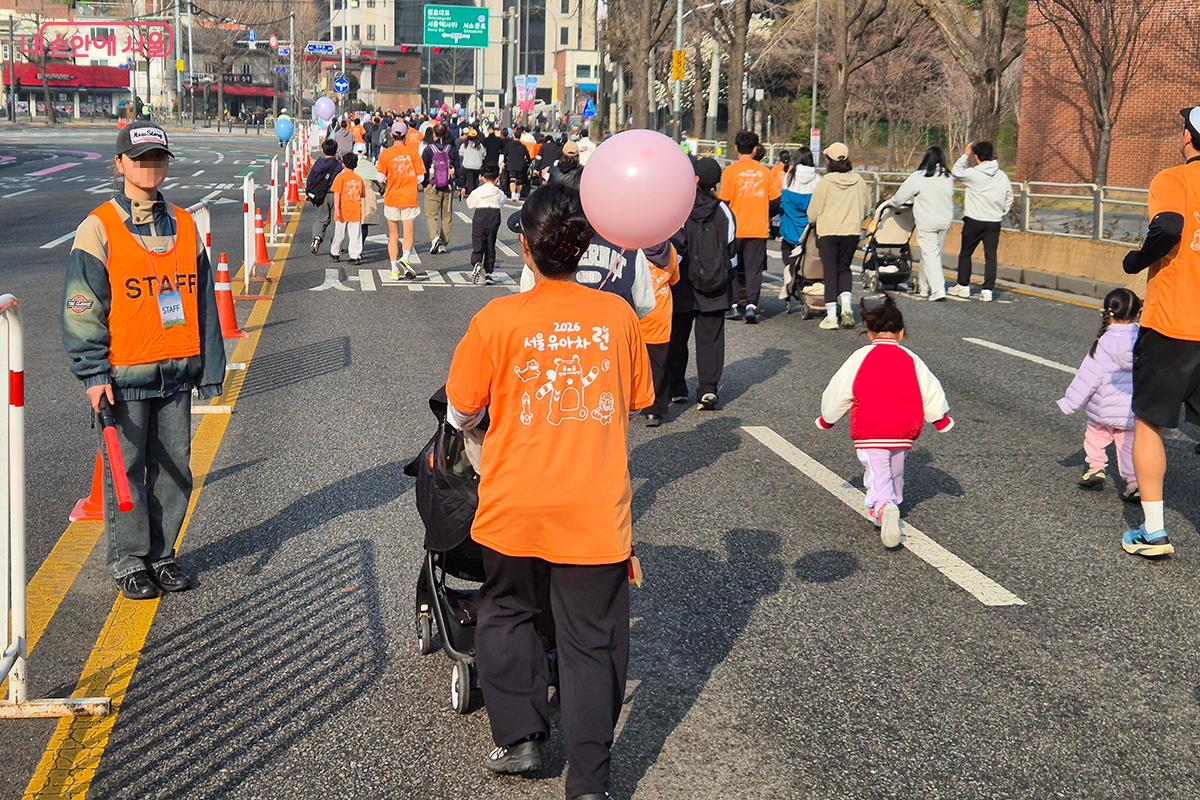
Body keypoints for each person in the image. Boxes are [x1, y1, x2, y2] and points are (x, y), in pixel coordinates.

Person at [445, 183, 654, 800]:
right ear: (584, 247)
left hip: (516, 506)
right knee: (592, 643)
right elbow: (639, 398)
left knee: (507, 612)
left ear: (527, 251)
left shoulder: (497, 320)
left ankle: (521, 737)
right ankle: (589, 782)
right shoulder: (616, 316)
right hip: (594, 511)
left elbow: (460, 409)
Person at [61, 121, 224, 600]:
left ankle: (164, 554)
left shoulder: (186, 224)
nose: (149, 167)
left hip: (175, 372)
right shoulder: (98, 228)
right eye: (139, 159)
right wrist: (92, 372)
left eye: (157, 158)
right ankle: (130, 559)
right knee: (126, 472)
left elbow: (203, 305)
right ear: (120, 165)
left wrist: (209, 369)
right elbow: (81, 306)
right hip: (123, 375)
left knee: (176, 469)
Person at [1117, 107, 1200, 558]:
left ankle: (1153, 532)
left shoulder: (1174, 179)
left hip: (1174, 324)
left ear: (1190, 139)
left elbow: (1168, 225)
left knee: (1150, 422)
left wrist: (1137, 261)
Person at [816, 293, 953, 548]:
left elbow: (840, 390)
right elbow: (930, 389)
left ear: (869, 333)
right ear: (901, 333)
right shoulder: (911, 358)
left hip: (871, 428)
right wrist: (940, 419)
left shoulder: (861, 357)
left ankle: (883, 507)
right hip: (903, 430)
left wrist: (828, 419)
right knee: (895, 469)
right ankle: (894, 501)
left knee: (877, 471)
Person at [1056, 288, 1141, 500]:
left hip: (1102, 408)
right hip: (1132, 410)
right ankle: (1133, 483)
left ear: (1106, 313)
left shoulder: (1103, 343)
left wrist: (1070, 403)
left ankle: (1095, 467)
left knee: (1095, 435)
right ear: (1138, 313)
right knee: (1128, 446)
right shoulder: (1144, 341)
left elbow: (1088, 377)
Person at [668, 157, 737, 412]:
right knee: (711, 339)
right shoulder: (724, 211)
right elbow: (732, 249)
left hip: (683, 282)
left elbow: (673, 245)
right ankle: (708, 388)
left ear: (694, 179)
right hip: (715, 285)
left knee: (677, 336)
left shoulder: (680, 208)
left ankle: (676, 387)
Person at [720, 130, 781, 325]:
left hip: (735, 228)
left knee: (733, 267)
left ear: (736, 148)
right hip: (758, 227)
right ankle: (751, 305)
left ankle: (735, 303)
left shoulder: (730, 171)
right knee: (754, 269)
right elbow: (775, 200)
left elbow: (724, 201)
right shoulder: (765, 172)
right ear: (755, 149)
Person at [808, 141, 871, 330]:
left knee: (830, 272)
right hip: (851, 232)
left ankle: (831, 316)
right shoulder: (859, 181)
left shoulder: (825, 183)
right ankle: (846, 308)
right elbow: (867, 207)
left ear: (829, 160)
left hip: (828, 232)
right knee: (844, 269)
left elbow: (813, 212)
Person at [888, 146, 955, 301]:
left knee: (930, 254)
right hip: (945, 221)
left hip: (927, 221)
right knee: (932, 253)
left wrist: (891, 203)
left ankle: (938, 289)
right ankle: (923, 286)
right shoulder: (948, 177)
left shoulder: (919, 176)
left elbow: (900, 198)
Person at [949, 141, 1014, 302]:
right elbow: (1009, 197)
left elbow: (955, 172)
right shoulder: (1002, 175)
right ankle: (987, 290)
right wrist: (1001, 212)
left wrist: (965, 154)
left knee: (966, 253)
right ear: (991, 155)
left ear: (976, 156)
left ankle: (963, 286)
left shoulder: (973, 173)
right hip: (994, 221)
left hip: (974, 219)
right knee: (990, 255)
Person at [639, 242, 680, 427]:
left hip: (637, 314)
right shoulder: (669, 249)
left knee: (634, 364)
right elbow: (674, 279)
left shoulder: (632, 246)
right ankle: (655, 411)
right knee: (658, 365)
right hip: (660, 313)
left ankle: (633, 401)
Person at [378, 120, 425, 280]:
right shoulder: (413, 153)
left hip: (391, 197)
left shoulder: (385, 154)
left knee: (393, 235)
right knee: (408, 233)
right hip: (409, 197)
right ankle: (405, 258)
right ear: (405, 136)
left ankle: (393, 269)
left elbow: (380, 177)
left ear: (391, 135)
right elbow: (421, 177)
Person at [779, 146, 818, 268]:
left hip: (790, 224)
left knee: (787, 251)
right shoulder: (818, 179)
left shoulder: (789, 177)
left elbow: (784, 201)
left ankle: (791, 272)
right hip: (809, 227)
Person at [422, 123, 458, 254]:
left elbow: (423, 169)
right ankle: (443, 243)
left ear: (434, 134)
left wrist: (425, 183)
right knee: (447, 216)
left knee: (431, 215)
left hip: (433, 186)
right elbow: (458, 167)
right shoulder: (452, 149)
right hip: (448, 186)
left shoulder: (428, 150)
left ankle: (434, 238)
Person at [467, 164, 505, 284]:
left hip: (480, 214)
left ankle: (477, 262)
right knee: (490, 243)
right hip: (494, 215)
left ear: (482, 177)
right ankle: (489, 273)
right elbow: (502, 202)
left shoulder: (478, 191)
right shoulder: (498, 192)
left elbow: (470, 204)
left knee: (478, 240)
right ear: (497, 178)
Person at [306, 138, 344, 254]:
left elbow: (311, 179)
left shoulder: (318, 163)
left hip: (321, 195)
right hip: (336, 195)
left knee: (320, 219)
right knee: (336, 221)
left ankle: (317, 237)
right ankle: (335, 245)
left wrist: (309, 192)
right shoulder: (338, 165)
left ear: (323, 150)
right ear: (336, 150)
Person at [329, 152, 366, 265]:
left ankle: (335, 252)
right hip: (355, 210)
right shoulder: (359, 179)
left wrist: (336, 209)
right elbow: (362, 195)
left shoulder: (340, 177)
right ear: (356, 165)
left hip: (342, 209)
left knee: (339, 233)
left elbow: (336, 193)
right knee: (355, 234)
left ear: (343, 164)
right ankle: (355, 255)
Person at [352, 142, 381, 248]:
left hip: (354, 195)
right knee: (364, 224)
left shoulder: (352, 165)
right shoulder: (371, 166)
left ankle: (354, 246)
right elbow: (380, 183)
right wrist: (383, 189)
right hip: (367, 196)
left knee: (354, 223)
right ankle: (360, 246)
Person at [504, 129, 531, 201]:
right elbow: (528, 156)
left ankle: (513, 194)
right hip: (520, 165)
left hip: (511, 164)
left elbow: (505, 154)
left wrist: (505, 161)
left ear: (514, 136)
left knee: (512, 180)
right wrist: (529, 161)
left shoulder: (509, 145)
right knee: (519, 180)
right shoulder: (523, 146)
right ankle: (518, 194)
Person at [459, 128, 485, 199]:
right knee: (475, 180)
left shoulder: (465, 145)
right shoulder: (480, 146)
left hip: (467, 165)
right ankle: (474, 192)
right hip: (478, 166)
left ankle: (471, 193)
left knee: (470, 180)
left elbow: (460, 153)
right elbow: (484, 154)